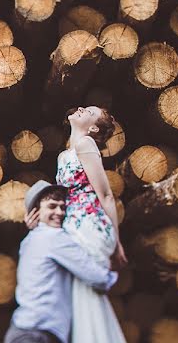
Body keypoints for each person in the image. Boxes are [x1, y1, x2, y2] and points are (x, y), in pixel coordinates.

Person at [5, 180, 117, 343]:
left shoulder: (29, 240)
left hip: (22, 329)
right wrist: (110, 275)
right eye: (52, 206)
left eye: (62, 207)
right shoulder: (54, 237)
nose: (59, 212)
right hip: (38, 334)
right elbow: (97, 277)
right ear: (35, 212)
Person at [56, 106, 127, 342]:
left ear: (93, 127)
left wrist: (116, 242)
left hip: (89, 226)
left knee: (83, 297)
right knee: (76, 299)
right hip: (72, 226)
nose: (80, 109)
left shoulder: (86, 144)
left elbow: (105, 195)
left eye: (87, 111)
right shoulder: (66, 152)